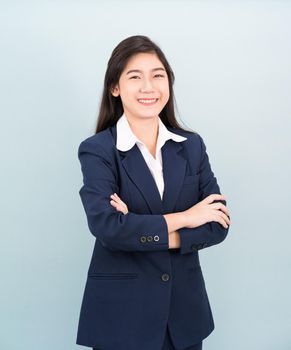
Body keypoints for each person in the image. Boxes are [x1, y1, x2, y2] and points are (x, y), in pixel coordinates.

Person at [76, 35, 231, 350]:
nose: (149, 86)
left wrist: (136, 225)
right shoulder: (98, 151)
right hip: (123, 316)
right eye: (135, 76)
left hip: (184, 316)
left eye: (158, 75)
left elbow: (217, 223)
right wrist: (187, 217)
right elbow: (107, 228)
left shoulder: (192, 146)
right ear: (115, 87)